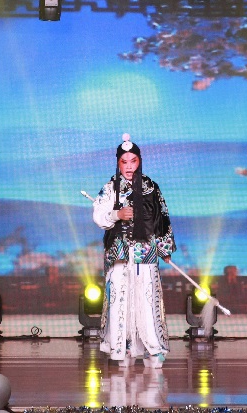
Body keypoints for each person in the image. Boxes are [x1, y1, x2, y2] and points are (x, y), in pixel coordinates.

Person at [93, 133, 175, 369]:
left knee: (147, 300)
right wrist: (116, 214)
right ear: (118, 163)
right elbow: (99, 215)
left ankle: (153, 349)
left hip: (145, 251)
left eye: (133, 161)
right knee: (120, 299)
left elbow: (162, 218)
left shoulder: (151, 188)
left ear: (140, 161)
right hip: (119, 253)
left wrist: (164, 248)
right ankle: (123, 348)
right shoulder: (110, 188)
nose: (129, 167)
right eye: (124, 162)